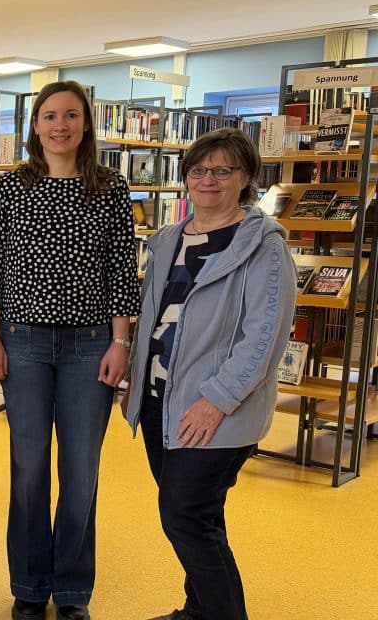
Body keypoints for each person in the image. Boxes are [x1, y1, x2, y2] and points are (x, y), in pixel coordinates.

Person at [0, 80, 138, 620]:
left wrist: (121, 342)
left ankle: (71, 592)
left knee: (82, 472)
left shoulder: (109, 188)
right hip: (24, 342)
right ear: (35, 126)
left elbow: (120, 274)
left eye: (70, 115)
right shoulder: (12, 187)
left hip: (92, 345)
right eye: (49, 115)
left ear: (86, 124)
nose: (59, 125)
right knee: (30, 468)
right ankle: (29, 585)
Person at [125, 128, 295, 620]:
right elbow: (153, 317)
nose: (209, 179)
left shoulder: (263, 248)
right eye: (199, 170)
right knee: (200, 517)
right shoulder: (169, 242)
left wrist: (216, 399)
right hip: (163, 402)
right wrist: (136, 384)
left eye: (223, 170)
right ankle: (199, 610)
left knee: (185, 518)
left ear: (246, 179)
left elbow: (263, 339)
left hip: (215, 409)